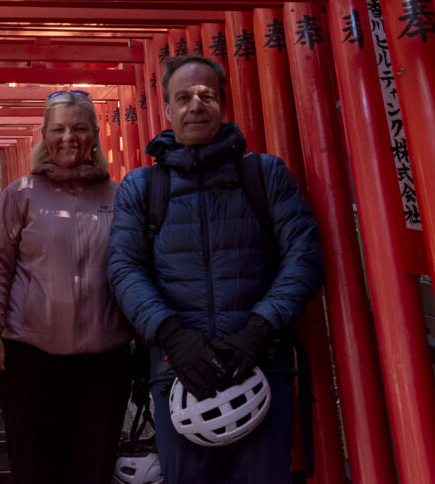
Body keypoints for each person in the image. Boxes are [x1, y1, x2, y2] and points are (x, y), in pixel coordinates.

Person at [107, 55, 324, 484]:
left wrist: (259, 330)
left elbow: (304, 255)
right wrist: (172, 335)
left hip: (262, 363)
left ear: (223, 104)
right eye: (183, 97)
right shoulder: (142, 186)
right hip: (178, 371)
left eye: (207, 96)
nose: (196, 106)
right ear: (167, 110)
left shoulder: (264, 175)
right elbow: (124, 268)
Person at [0, 90, 134, 484]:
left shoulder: (121, 197)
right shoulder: (20, 194)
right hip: (29, 355)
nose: (69, 137)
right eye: (57, 129)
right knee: (36, 468)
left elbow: (137, 270)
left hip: (105, 359)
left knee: (93, 469)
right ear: (44, 136)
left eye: (79, 128)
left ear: (95, 134)